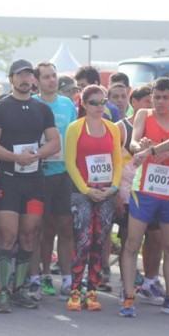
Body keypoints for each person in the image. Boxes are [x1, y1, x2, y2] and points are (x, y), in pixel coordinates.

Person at [0, 59, 60, 313]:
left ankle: (19, 289)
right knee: (7, 234)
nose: (25, 79)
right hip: (9, 180)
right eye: (20, 75)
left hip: (35, 180)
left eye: (29, 75)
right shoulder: (1, 108)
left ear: (34, 80)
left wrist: (36, 155)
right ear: (12, 79)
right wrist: (15, 157)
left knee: (29, 233)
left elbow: (54, 142)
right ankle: (3, 291)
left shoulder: (42, 109)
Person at [124, 78, 169, 318]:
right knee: (132, 243)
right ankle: (129, 296)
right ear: (151, 97)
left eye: (165, 98)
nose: (160, 102)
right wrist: (139, 144)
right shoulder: (143, 115)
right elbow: (132, 143)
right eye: (156, 97)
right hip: (144, 191)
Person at [64, 85, 122, 311]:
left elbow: (117, 160)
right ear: (84, 104)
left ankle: (92, 291)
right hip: (82, 192)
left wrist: (113, 187)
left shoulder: (112, 129)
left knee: (100, 240)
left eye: (103, 102)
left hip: (106, 192)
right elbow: (70, 163)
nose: (100, 107)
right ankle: (75, 290)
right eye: (94, 103)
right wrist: (86, 190)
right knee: (83, 240)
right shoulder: (75, 128)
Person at [31, 62, 77, 299]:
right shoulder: (32, 104)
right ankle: (43, 275)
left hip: (62, 173)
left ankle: (68, 279)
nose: (52, 80)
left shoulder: (67, 104)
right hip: (39, 173)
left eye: (54, 76)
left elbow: (75, 136)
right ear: (37, 81)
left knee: (65, 226)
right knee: (41, 228)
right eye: (46, 77)